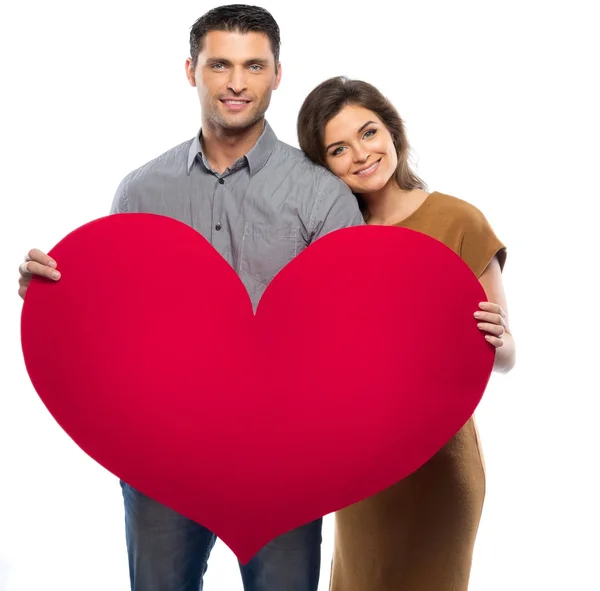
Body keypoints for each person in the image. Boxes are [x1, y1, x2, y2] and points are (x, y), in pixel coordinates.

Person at [17, 7, 364, 591]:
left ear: (278, 74)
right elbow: (114, 323)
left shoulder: (323, 195)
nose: (236, 83)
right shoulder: (141, 189)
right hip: (161, 453)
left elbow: (348, 331)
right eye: (219, 64)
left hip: (281, 457)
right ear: (191, 70)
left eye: (254, 65)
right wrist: (55, 299)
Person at [297, 76, 516, 591]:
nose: (361, 154)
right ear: (323, 164)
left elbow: (503, 356)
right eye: (338, 149)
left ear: (392, 131)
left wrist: (500, 339)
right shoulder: (331, 238)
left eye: (369, 132)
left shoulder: (458, 219)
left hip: (440, 463)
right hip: (361, 463)